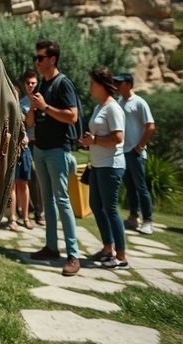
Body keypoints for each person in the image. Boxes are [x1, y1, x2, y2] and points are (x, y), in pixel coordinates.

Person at [25, 40, 80, 276]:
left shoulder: (62, 83)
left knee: (62, 201)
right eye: (36, 58)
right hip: (40, 149)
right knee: (47, 201)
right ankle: (51, 247)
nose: (36, 62)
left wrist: (45, 107)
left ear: (52, 59)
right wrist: (33, 107)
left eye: (40, 58)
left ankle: (73, 255)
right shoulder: (41, 85)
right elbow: (30, 122)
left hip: (58, 149)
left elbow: (72, 116)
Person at [80, 68, 128, 269]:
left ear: (102, 85)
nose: (90, 86)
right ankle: (108, 249)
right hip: (98, 165)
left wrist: (94, 140)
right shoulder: (100, 107)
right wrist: (88, 141)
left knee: (110, 209)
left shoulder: (113, 108)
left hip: (111, 166)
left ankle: (121, 256)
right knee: (96, 206)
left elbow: (118, 137)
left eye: (93, 83)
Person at [115, 72, 155, 235]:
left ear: (129, 84)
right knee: (130, 187)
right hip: (123, 151)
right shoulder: (119, 102)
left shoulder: (139, 102)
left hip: (135, 153)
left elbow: (150, 126)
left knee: (141, 187)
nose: (116, 85)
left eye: (119, 83)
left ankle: (148, 221)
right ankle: (133, 218)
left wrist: (139, 147)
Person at [9, 69, 39, 231]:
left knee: (24, 184)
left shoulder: (22, 108)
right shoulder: (10, 109)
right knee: (12, 185)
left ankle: (26, 217)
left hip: (25, 149)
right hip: (12, 150)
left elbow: (28, 125)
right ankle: (13, 217)